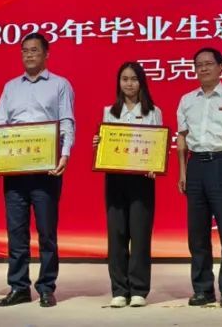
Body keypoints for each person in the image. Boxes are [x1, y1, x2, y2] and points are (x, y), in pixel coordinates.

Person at [0, 33, 75, 308]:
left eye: (34, 50)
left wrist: (65, 154)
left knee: (46, 233)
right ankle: (19, 286)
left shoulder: (60, 84)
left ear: (46, 54)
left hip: (46, 170)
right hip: (15, 169)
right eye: (25, 50)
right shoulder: (11, 87)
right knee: (16, 232)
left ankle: (46, 287)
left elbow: (67, 122)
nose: (29, 55)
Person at [176, 47, 222, 308]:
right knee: (197, 234)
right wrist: (183, 172)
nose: (204, 68)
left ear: (221, 67)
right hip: (196, 165)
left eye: (209, 63)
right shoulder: (187, 100)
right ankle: (202, 289)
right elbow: (182, 138)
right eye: (199, 64)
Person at [91, 62, 163, 308]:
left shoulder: (153, 111)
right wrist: (99, 144)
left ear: (141, 82)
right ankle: (120, 289)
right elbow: (106, 145)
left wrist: (155, 164)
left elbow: (158, 144)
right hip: (115, 178)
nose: (129, 84)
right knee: (117, 235)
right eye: (124, 79)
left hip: (142, 179)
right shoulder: (109, 111)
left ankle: (139, 289)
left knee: (140, 235)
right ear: (118, 83)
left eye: (134, 79)